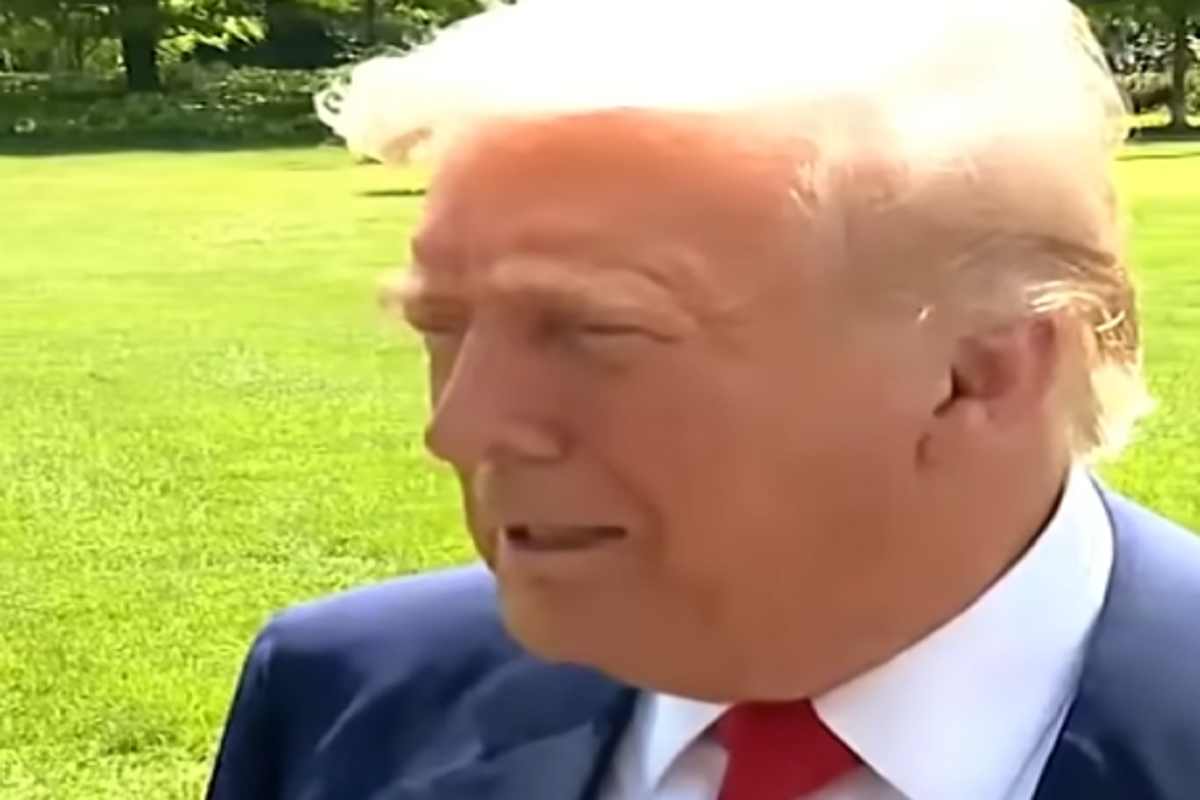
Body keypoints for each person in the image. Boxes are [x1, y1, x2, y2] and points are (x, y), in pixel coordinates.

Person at [206, 1, 1200, 798]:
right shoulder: (343, 700)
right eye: (444, 326)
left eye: (596, 332)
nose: (460, 427)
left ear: (980, 373)